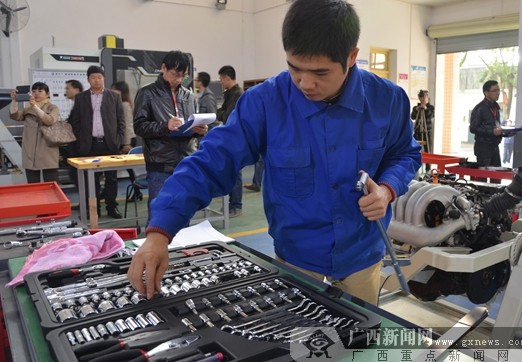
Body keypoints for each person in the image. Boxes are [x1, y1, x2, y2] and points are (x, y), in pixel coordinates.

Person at [128, 0, 421, 305]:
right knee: (301, 342)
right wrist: (160, 232)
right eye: (295, 68)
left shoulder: (387, 100)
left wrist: (387, 190)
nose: (305, 83)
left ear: (351, 57)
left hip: (362, 254)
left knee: (359, 344)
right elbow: (210, 162)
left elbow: (405, 154)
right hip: (296, 258)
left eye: (320, 72)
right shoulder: (265, 102)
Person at [133, 50, 208, 226]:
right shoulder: (147, 93)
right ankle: (155, 253)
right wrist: (164, 126)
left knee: (183, 213)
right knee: (159, 215)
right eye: (174, 74)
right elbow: (139, 126)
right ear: (164, 68)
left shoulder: (188, 96)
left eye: (182, 76)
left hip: (186, 162)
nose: (178, 80)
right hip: (160, 164)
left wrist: (199, 129)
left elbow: (191, 123)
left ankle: (180, 251)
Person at [68, 65, 125, 219]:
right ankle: (95, 209)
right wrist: (81, 139)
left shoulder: (114, 97)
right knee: (91, 180)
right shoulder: (81, 98)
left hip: (110, 144)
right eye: (93, 77)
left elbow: (121, 121)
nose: (97, 80)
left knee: (111, 178)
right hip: (90, 144)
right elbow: (75, 121)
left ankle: (112, 207)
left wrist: (119, 140)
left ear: (103, 78)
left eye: (99, 77)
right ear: (88, 80)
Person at [9, 82, 61, 183]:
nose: (36, 93)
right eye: (34, 91)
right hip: (30, 152)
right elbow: (14, 116)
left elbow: (49, 120)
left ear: (47, 94)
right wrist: (14, 101)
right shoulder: (27, 109)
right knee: (33, 185)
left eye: (40, 91)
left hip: (47, 151)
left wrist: (35, 107)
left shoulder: (52, 108)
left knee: (51, 185)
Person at [217, 65, 244, 217]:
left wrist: (222, 113)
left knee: (236, 172)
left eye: (221, 79)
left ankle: (237, 205)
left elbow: (226, 116)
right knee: (230, 172)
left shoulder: (238, 94)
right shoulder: (229, 94)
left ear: (227, 77)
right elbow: (220, 113)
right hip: (229, 137)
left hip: (236, 138)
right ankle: (231, 203)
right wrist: (222, 113)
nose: (221, 82)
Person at [111, 81, 143, 202]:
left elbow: (127, 125)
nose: (112, 92)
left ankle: (137, 191)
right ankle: (137, 191)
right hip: (126, 139)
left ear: (121, 91)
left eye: (114, 89)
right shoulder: (122, 103)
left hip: (127, 139)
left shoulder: (124, 104)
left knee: (130, 169)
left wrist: (126, 143)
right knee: (130, 169)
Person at [469, 80, 504, 168]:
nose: (498, 93)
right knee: (482, 176)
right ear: (486, 93)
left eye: (498, 90)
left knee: (497, 175)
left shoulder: (496, 108)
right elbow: (473, 128)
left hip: (495, 146)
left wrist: (504, 132)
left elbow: (496, 125)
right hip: (483, 147)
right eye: (494, 91)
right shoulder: (479, 108)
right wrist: (492, 131)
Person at [64, 79, 84, 190]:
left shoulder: (82, 105)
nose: (65, 91)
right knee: (75, 174)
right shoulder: (76, 104)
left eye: (68, 88)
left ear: (76, 89)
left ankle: (87, 203)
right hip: (75, 145)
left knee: (78, 175)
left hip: (80, 146)